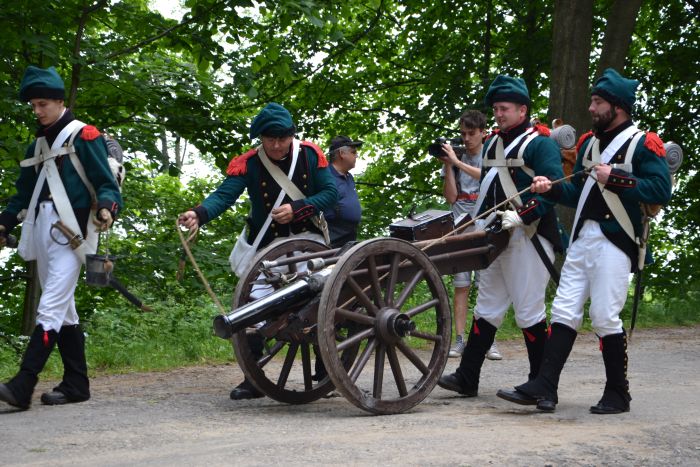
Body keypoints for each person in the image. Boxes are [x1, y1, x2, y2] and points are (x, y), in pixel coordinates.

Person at [496, 68, 672, 414]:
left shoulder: (642, 142)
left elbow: (661, 189)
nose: (591, 108)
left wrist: (617, 178)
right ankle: (544, 384)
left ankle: (618, 394)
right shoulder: (590, 144)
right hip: (582, 237)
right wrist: (553, 186)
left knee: (605, 316)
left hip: (616, 240)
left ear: (617, 107)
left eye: (598, 102)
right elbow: (580, 193)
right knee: (562, 311)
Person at [178, 102, 337, 400]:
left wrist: (298, 208)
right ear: (261, 138)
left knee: (319, 303)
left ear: (291, 136)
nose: (276, 145)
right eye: (269, 139)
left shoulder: (310, 156)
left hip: (307, 244)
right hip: (269, 249)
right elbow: (224, 195)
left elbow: (330, 193)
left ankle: (327, 373)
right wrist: (199, 213)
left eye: (282, 138)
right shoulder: (249, 164)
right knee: (253, 305)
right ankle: (254, 379)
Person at [0, 66, 122, 410]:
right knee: (64, 311)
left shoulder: (84, 136)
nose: (37, 111)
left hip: (73, 232)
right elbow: (22, 194)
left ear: (59, 101)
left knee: (50, 306)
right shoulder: (37, 144)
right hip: (40, 228)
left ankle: (22, 385)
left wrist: (108, 208)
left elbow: (106, 183)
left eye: (42, 104)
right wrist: (4, 224)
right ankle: (77, 384)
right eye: (34, 105)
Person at [438, 75, 564, 397]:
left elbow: (554, 189)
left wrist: (522, 215)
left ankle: (541, 384)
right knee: (488, 307)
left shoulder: (540, 143)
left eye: (504, 108)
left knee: (529, 310)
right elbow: (488, 187)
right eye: (495, 108)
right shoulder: (494, 142)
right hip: (496, 235)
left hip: (528, 235)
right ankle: (468, 377)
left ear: (522, 110)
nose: (498, 114)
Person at [438, 110, 502, 361]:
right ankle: (460, 340)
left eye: (471, 133)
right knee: (461, 285)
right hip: (460, 223)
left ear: (483, 132)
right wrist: (449, 166)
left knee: (487, 285)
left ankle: (489, 341)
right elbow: (451, 197)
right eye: (463, 134)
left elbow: (487, 177)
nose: (466, 139)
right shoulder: (456, 158)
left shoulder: (491, 155)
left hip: (485, 222)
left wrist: (457, 162)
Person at [324, 135, 363, 248]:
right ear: (342, 153)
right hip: (332, 238)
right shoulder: (325, 176)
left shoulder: (349, 177)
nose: (356, 155)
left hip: (349, 236)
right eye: (353, 152)